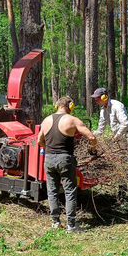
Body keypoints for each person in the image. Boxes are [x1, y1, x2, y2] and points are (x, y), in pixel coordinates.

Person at [38, 96, 98, 232]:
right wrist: (93, 148)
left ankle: (55, 222)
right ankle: (71, 225)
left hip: (48, 159)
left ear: (57, 106)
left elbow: (40, 141)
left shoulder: (46, 120)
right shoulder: (72, 120)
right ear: (70, 106)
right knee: (69, 191)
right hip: (65, 159)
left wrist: (49, 148)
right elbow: (92, 137)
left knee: (52, 191)